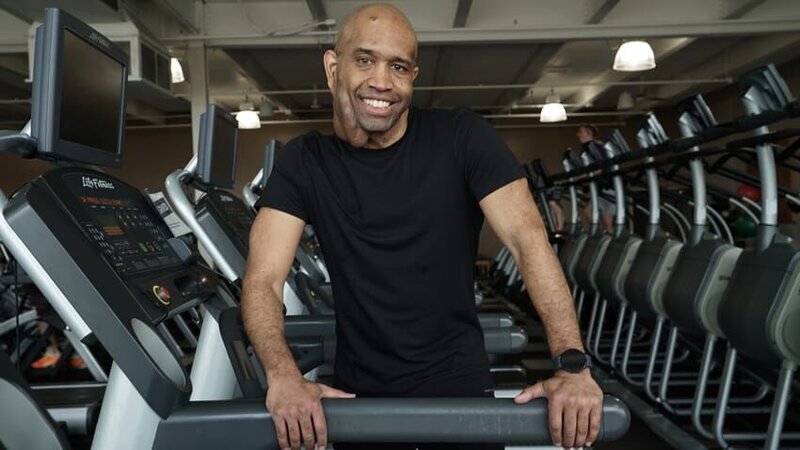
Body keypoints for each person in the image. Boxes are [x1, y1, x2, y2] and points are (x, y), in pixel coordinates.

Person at [241, 4, 603, 450]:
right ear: (333, 68)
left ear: (413, 75)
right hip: (360, 399)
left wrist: (571, 365)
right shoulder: (303, 162)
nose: (381, 81)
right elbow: (263, 278)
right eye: (364, 60)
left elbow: (529, 243)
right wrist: (283, 376)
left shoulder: (463, 136)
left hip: (460, 392)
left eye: (398, 67)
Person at [577, 124, 614, 233]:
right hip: (599, 189)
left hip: (608, 187)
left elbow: (600, 169)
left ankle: (609, 239)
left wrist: (584, 176)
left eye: (580, 132)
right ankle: (602, 236)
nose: (578, 135)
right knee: (588, 211)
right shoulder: (588, 149)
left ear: (589, 133)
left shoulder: (595, 147)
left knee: (607, 221)